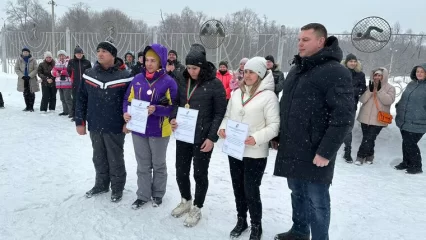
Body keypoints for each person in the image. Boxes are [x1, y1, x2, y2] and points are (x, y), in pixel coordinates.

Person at [273, 23, 354, 240]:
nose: (300, 43)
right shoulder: (298, 69)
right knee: (297, 193)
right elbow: (287, 107)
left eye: (305, 40)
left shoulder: (336, 71)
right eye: (299, 39)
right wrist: (279, 135)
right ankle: (299, 231)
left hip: (316, 151)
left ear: (321, 41)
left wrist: (326, 151)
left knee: (317, 201)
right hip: (293, 147)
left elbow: (344, 118)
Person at [218, 57, 280, 240]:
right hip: (235, 149)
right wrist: (222, 128)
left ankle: (256, 225)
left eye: (252, 72)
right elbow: (227, 116)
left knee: (251, 190)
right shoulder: (237, 93)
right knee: (238, 187)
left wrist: (256, 138)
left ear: (260, 73)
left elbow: (275, 125)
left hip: (255, 152)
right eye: (246, 71)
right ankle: (241, 219)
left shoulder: (269, 96)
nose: (248, 75)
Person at [169, 44, 227, 227]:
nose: (191, 71)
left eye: (195, 68)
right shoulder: (182, 78)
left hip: (203, 137)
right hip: (184, 134)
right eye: (189, 67)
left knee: (200, 174)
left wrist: (211, 138)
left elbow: (219, 113)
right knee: (181, 171)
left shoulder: (215, 83)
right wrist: (172, 118)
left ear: (202, 66)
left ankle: (197, 207)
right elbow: (177, 103)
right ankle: (186, 199)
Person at [75, 40, 133, 203]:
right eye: (98, 50)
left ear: (113, 55)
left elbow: (130, 102)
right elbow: (81, 99)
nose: (100, 54)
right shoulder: (89, 74)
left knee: (115, 158)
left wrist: (127, 123)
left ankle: (117, 187)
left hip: (115, 126)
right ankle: (101, 184)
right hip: (95, 124)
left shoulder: (125, 76)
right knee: (98, 157)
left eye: (104, 51)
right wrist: (80, 121)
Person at [123, 44, 178, 209]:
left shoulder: (169, 82)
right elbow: (127, 100)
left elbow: (174, 107)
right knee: (143, 164)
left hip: (160, 130)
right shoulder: (137, 79)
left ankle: (158, 194)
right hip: (139, 129)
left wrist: (157, 109)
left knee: (159, 164)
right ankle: (143, 195)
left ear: (160, 61)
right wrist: (126, 113)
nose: (149, 63)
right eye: (147, 60)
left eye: (153, 60)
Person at [355, 68, 395, 165]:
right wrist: (370, 91)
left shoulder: (390, 88)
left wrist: (380, 90)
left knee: (369, 138)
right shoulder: (370, 86)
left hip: (378, 119)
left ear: (383, 76)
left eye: (379, 75)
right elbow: (362, 100)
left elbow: (388, 101)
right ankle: (370, 155)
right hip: (365, 117)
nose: (377, 77)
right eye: (375, 75)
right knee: (368, 138)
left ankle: (360, 156)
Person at [395, 63, 426, 174]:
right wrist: (398, 106)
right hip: (405, 120)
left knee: (410, 143)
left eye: (422, 71)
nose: (419, 73)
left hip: (418, 122)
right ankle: (406, 162)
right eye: (418, 71)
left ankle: (417, 166)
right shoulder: (412, 84)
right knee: (406, 142)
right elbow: (405, 98)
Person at [341, 53, 367, 163]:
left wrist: (350, 91)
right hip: (338, 104)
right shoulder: (339, 72)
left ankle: (347, 151)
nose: (353, 63)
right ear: (346, 62)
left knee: (348, 128)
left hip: (352, 105)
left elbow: (363, 88)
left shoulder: (360, 74)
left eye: (354, 61)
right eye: (350, 61)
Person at [67, 46, 92, 121]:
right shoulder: (71, 62)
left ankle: (86, 114)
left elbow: (90, 72)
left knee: (86, 99)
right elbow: (69, 71)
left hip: (85, 84)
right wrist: (72, 78)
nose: (79, 55)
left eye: (80, 53)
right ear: (75, 54)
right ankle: (75, 115)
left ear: (83, 54)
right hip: (75, 84)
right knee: (75, 100)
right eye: (77, 54)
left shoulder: (87, 62)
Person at [15, 47, 39, 112]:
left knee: (31, 92)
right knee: (25, 93)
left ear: (29, 53)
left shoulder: (33, 60)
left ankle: (31, 107)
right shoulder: (19, 60)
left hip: (31, 79)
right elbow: (16, 69)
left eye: (27, 52)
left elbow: (36, 69)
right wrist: (22, 76)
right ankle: (27, 106)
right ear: (22, 53)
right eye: (24, 52)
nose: (25, 53)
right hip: (23, 79)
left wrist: (30, 76)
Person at [52, 50, 73, 117]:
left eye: (62, 55)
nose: (61, 57)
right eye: (60, 55)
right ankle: (65, 111)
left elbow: (71, 72)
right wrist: (55, 73)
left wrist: (62, 72)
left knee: (68, 99)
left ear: (65, 55)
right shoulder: (57, 63)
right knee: (62, 99)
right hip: (59, 84)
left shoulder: (69, 62)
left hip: (67, 83)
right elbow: (53, 71)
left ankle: (71, 112)